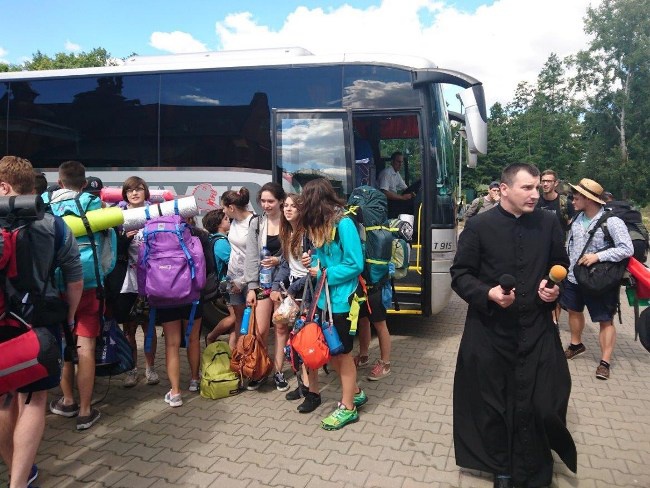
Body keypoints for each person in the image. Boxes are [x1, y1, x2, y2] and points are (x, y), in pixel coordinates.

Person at [450, 163, 576, 488]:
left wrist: (553, 286)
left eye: (537, 187)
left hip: (536, 327)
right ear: (505, 189)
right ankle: (501, 467)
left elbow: (559, 262)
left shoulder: (548, 223)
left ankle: (535, 467)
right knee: (494, 404)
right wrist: (487, 293)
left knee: (544, 398)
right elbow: (460, 274)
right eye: (528, 188)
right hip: (491, 329)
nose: (536, 194)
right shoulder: (478, 226)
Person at [0, 156, 83, 488]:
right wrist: (72, 315)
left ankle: (15, 466)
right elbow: (74, 278)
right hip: (39, 322)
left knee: (5, 396)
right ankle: (19, 481)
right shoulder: (54, 224)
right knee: (34, 400)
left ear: (5, 187)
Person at [46, 160, 116, 430]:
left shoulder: (45, 204)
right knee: (85, 347)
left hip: (56, 285)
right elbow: (108, 247)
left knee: (64, 344)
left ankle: (67, 400)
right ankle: (86, 411)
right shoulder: (95, 205)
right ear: (85, 184)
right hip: (88, 285)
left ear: (60, 182)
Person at [300, 178, 368, 430]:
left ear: (317, 202)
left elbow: (355, 264)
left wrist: (323, 271)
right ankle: (356, 393)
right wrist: (312, 260)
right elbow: (323, 256)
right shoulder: (322, 224)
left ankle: (348, 407)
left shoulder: (344, 224)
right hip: (325, 298)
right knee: (331, 353)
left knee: (342, 354)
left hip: (342, 301)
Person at [561, 178, 633, 381]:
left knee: (604, 319)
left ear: (589, 199)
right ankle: (576, 344)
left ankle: (605, 361)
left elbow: (626, 249)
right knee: (574, 311)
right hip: (574, 277)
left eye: (576, 198)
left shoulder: (612, 222)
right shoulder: (576, 219)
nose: (572, 201)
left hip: (599, 280)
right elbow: (570, 245)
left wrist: (598, 256)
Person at [109, 177, 159, 388]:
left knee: (149, 325)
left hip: (150, 277)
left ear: (145, 192)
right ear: (125, 194)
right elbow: (111, 250)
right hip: (125, 279)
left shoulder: (155, 214)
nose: (134, 193)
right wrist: (125, 239)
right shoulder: (117, 216)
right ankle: (131, 369)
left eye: (138, 189)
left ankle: (151, 368)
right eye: (130, 190)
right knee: (128, 327)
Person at [243, 182, 286, 391]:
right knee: (260, 330)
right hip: (261, 283)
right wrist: (251, 286)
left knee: (280, 327)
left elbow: (295, 251)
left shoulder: (289, 222)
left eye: (271, 201)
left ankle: (278, 371)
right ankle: (261, 368)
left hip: (283, 283)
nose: (266, 205)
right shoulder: (257, 223)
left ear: (280, 201)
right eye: (263, 201)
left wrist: (279, 260)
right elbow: (251, 256)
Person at [273, 194, 311, 399]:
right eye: (285, 206)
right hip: (293, 291)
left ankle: (307, 385)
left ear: (302, 209)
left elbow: (313, 271)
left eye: (293, 206)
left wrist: (293, 289)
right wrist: (275, 286)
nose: (288, 210)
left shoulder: (308, 234)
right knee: (291, 336)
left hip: (306, 293)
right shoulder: (287, 232)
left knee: (303, 337)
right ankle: (300, 381)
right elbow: (286, 265)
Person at [221, 188, 254, 351]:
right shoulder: (233, 222)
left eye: (224, 207)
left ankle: (251, 357)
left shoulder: (253, 222)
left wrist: (241, 282)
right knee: (238, 319)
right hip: (232, 277)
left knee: (251, 321)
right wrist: (232, 279)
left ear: (232, 207)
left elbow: (255, 256)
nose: (223, 211)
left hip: (248, 280)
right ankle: (238, 357)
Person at [203, 209, 237, 350]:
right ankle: (212, 336)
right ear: (218, 224)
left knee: (237, 318)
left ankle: (233, 349)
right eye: (224, 219)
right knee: (235, 317)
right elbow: (232, 262)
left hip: (226, 282)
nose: (228, 220)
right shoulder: (221, 242)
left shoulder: (211, 238)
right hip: (227, 283)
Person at [377, 151, 416, 217]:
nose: (400, 164)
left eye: (401, 162)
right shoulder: (387, 173)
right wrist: (402, 197)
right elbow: (384, 193)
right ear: (392, 162)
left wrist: (413, 193)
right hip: (384, 204)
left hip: (392, 202)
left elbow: (406, 188)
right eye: (398, 162)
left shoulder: (396, 173)